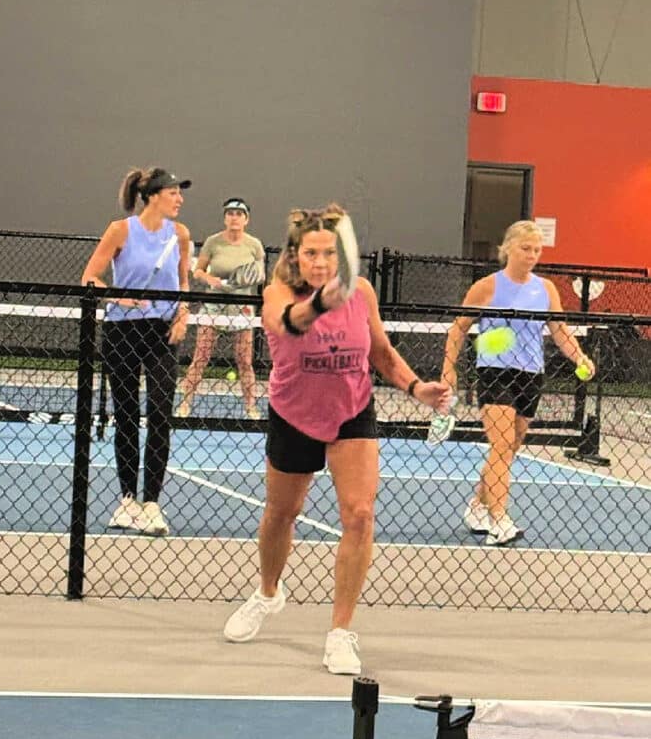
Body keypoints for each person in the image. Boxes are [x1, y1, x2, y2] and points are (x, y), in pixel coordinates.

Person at [223, 204, 451, 675]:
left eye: (330, 252)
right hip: (293, 413)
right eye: (312, 253)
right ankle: (268, 593)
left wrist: (417, 388)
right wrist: (324, 300)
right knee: (282, 513)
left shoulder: (361, 292)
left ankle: (340, 632)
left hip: (352, 412)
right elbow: (289, 323)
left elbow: (383, 354)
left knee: (360, 514)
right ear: (296, 255)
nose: (322, 261)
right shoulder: (276, 291)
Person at [441, 220, 595, 546]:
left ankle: (476, 507)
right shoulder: (487, 287)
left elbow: (559, 330)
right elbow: (458, 328)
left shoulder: (546, 289)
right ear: (509, 248)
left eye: (537, 250)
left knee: (510, 447)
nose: (532, 255)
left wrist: (579, 357)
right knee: (500, 444)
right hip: (494, 372)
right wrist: (448, 370)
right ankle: (499, 521)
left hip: (531, 375)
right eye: (526, 248)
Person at [81, 167, 192, 535]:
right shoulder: (121, 230)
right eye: (174, 192)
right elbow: (90, 277)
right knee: (126, 414)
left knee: (160, 414)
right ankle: (127, 500)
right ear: (155, 195)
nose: (180, 199)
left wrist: (183, 315)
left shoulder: (180, 235)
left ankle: (152, 505)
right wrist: (119, 297)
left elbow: (184, 282)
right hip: (122, 331)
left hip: (162, 333)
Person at [176, 198, 264, 419]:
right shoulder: (213, 242)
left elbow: (259, 274)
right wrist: (211, 280)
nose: (234, 217)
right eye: (230, 213)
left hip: (242, 308)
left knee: (244, 361)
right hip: (213, 307)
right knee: (201, 356)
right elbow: (198, 272)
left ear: (246, 219)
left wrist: (242, 282)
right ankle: (185, 404)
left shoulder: (254, 245)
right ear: (225, 217)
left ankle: (251, 407)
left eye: (239, 214)